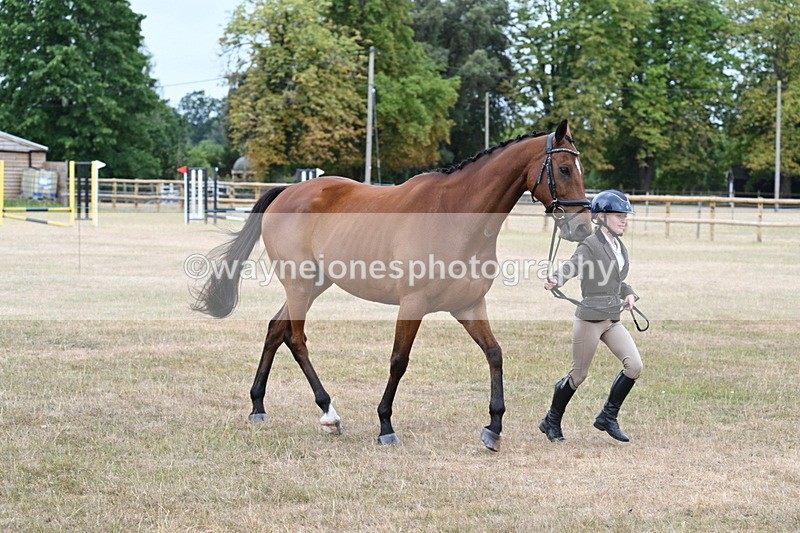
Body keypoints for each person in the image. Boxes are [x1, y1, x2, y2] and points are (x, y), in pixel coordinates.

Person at [540, 190, 643, 443]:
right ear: (601, 217)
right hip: (590, 320)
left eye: (625, 216)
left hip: (611, 318)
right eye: (619, 216)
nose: (624, 220)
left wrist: (629, 294)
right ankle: (551, 420)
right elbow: (574, 264)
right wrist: (557, 278)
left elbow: (617, 280)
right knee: (578, 375)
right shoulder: (590, 244)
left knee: (634, 366)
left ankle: (608, 417)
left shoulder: (619, 247)